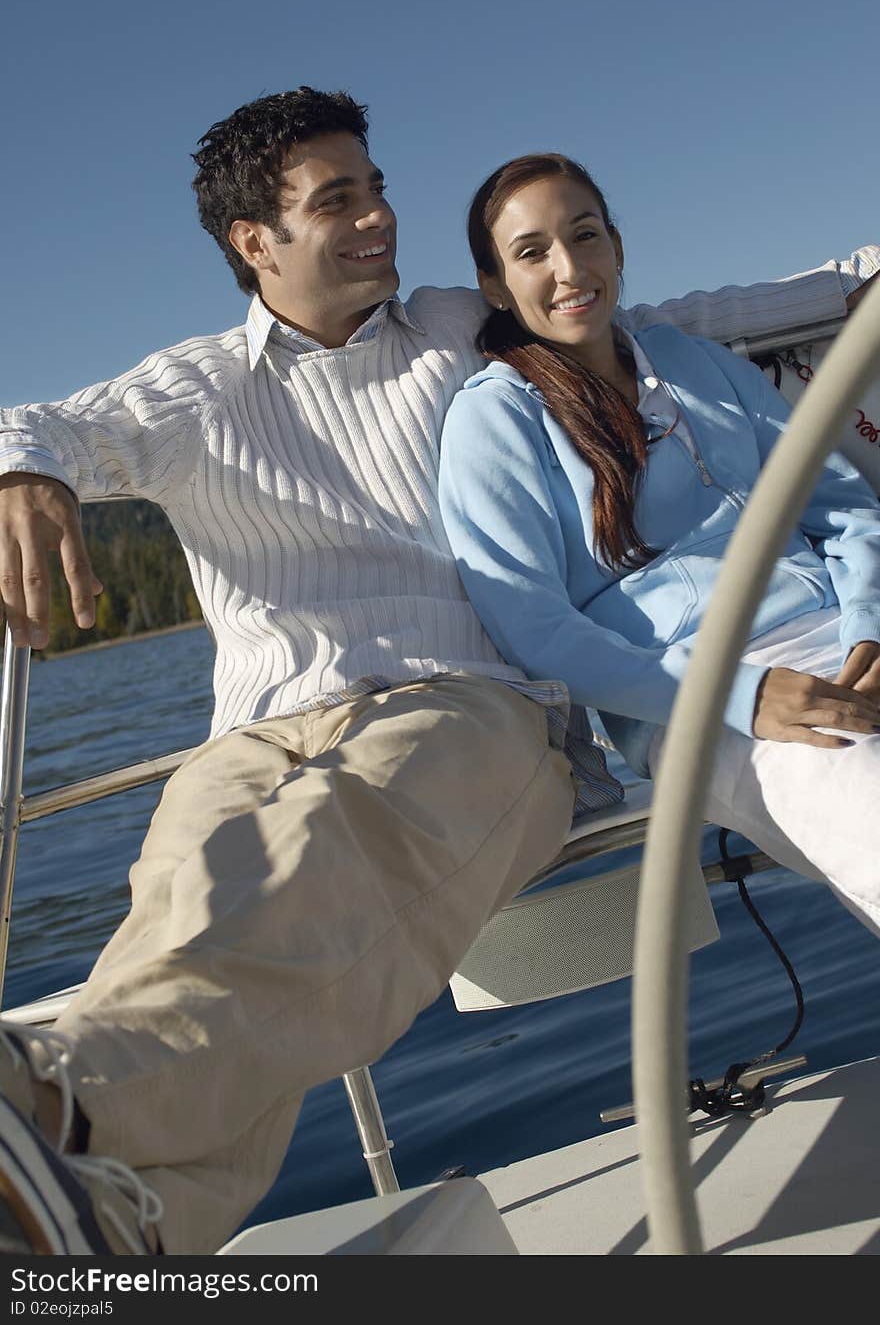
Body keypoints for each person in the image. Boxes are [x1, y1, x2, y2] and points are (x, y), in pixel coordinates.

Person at [0, 92, 874, 1258]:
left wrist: (849, 282)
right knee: (179, 926)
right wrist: (22, 473)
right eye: (336, 202)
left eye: (374, 186)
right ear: (253, 243)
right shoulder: (191, 392)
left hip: (461, 704)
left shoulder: (457, 324)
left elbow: (645, 319)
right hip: (254, 738)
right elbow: (43, 422)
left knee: (322, 866)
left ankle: (53, 1098)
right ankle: (93, 1226)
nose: (378, 217)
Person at [438, 152, 880, 957]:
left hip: (844, 636)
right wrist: (742, 696)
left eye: (586, 235)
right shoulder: (496, 420)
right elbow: (537, 632)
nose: (570, 268)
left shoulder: (689, 361)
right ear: (495, 283)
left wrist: (868, 628)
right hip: (699, 699)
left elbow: (844, 506)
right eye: (533, 252)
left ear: (616, 245)